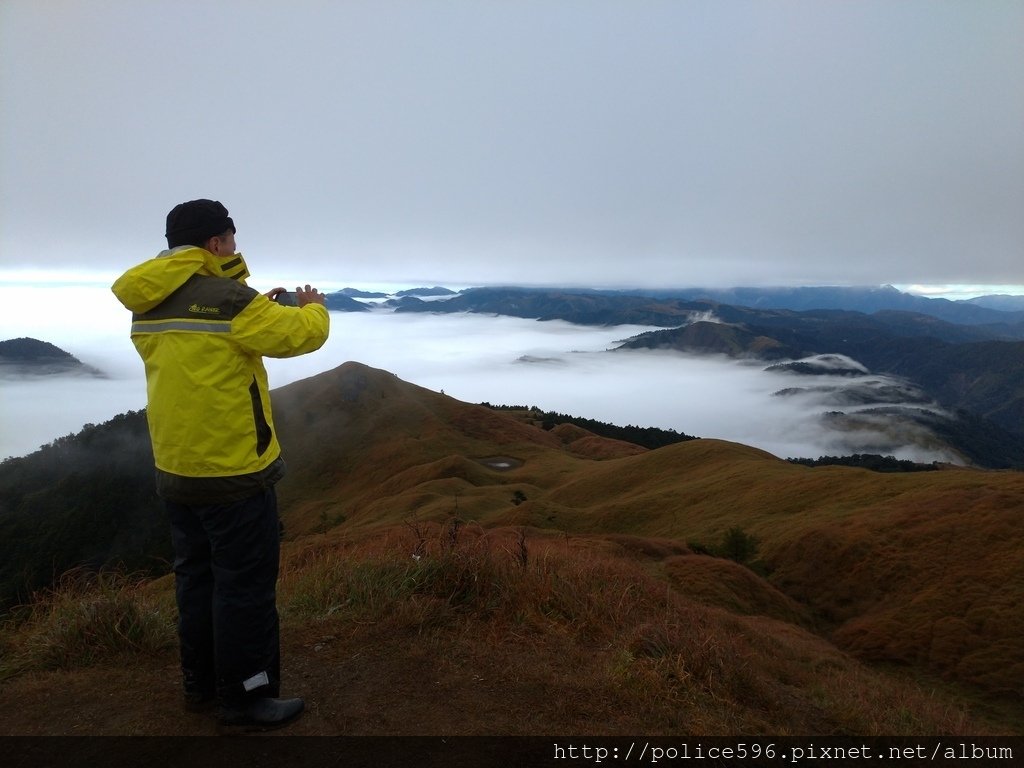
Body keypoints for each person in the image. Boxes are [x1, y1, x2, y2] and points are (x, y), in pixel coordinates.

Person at [111, 199, 330, 729]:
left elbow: (209, 331)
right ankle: (248, 696)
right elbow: (302, 336)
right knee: (245, 588)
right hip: (233, 471)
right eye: (231, 239)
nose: (235, 246)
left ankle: (200, 687)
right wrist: (312, 306)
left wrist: (249, 295)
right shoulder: (232, 301)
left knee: (196, 581)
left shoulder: (149, 301)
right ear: (216, 243)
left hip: (176, 466)